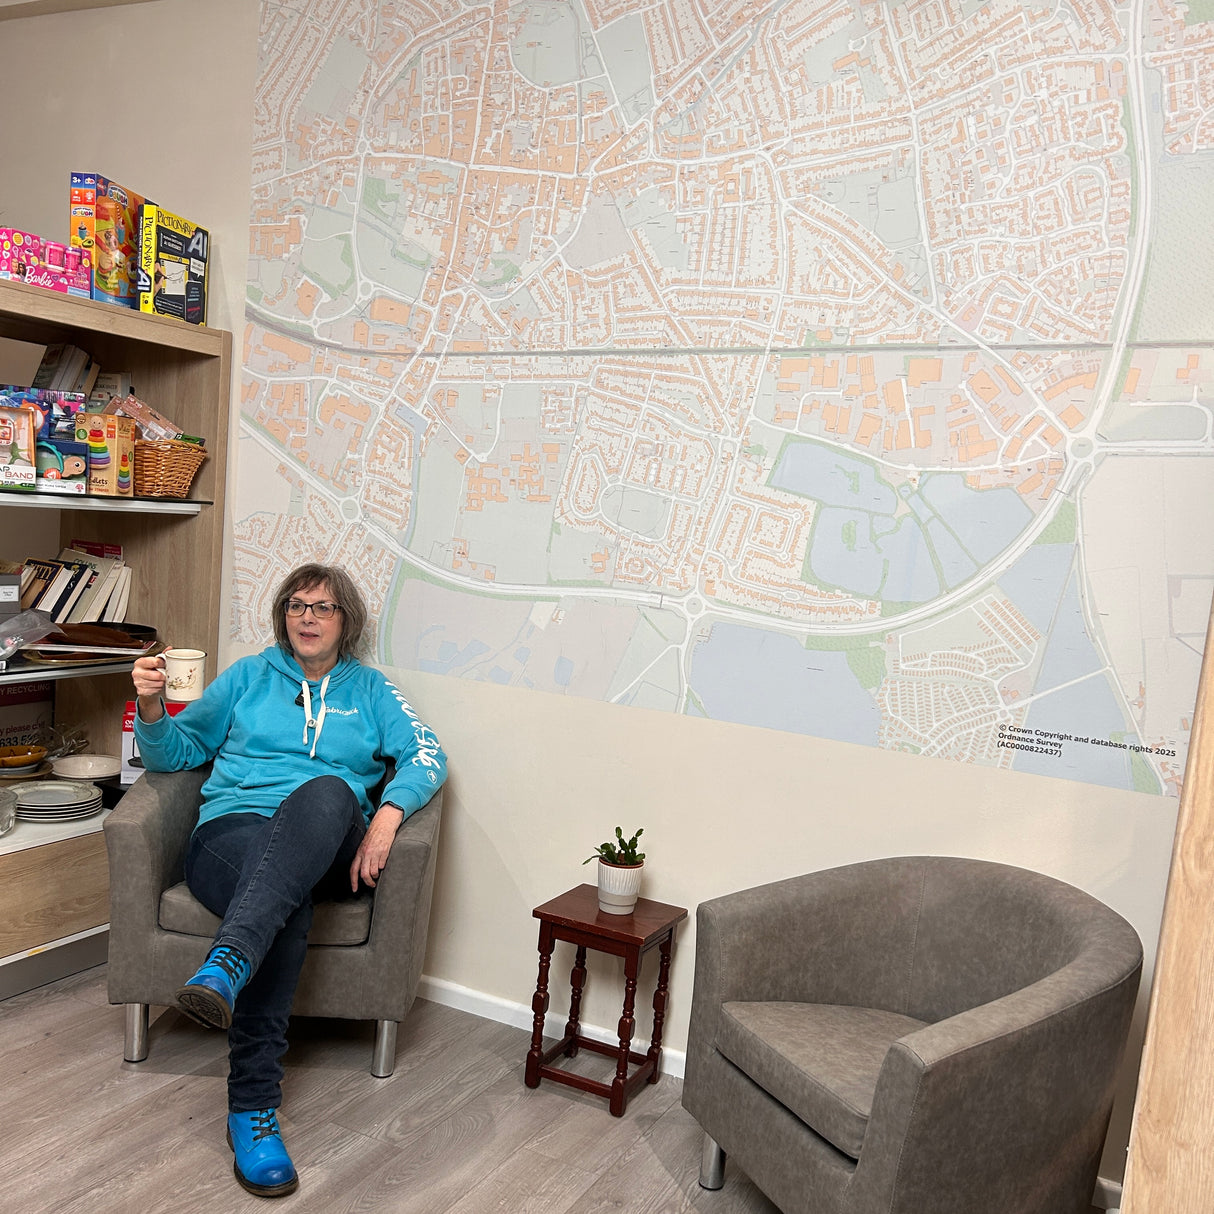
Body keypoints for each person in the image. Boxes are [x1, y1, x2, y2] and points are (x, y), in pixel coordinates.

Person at [131, 563, 447, 1199]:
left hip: (329, 842)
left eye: (323, 607)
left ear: (345, 621)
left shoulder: (372, 691)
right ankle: (252, 1111)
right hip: (230, 839)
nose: (307, 617)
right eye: (296, 605)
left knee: (327, 791)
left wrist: (388, 816)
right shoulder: (247, 676)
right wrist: (150, 706)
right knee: (285, 898)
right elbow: (176, 753)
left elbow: (427, 754)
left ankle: (228, 961)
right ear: (283, 616)